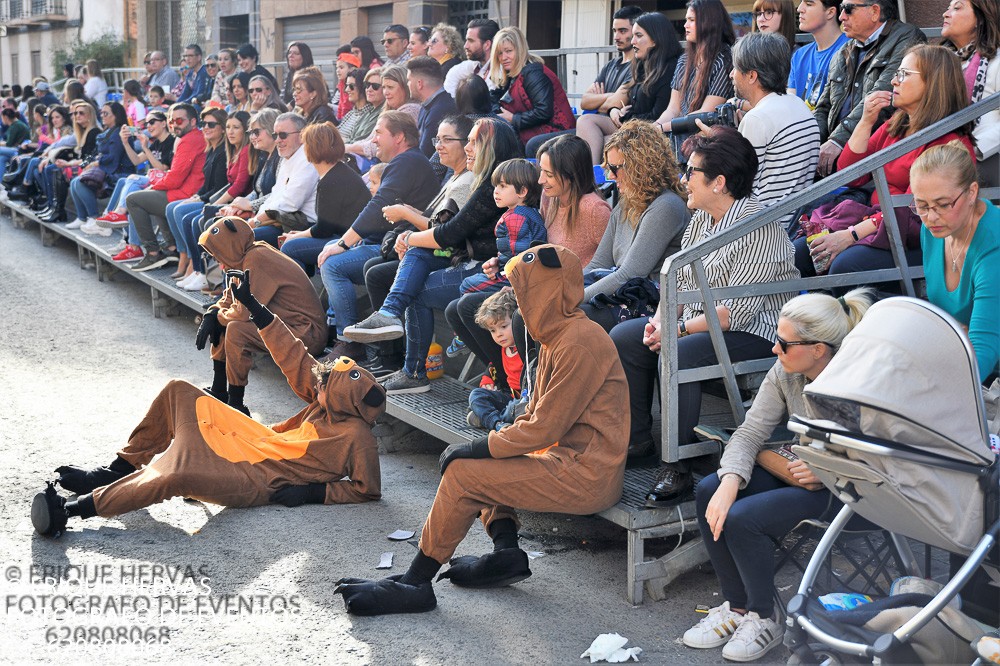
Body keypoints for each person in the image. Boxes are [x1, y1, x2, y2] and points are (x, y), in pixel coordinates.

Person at [334, 244, 629, 616]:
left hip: (587, 474)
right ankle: (507, 553)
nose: (521, 306)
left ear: (548, 293)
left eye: (525, 294)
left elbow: (542, 428)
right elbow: (534, 418)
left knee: (465, 472)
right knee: (492, 456)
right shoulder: (560, 336)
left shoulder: (580, 341)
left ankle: (415, 584)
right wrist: (490, 444)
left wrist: (477, 448)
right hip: (563, 456)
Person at [30, 264, 386, 540]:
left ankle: (72, 511)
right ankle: (120, 468)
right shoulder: (329, 398)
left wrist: (313, 493)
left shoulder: (358, 437)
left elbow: (367, 490)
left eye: (323, 384)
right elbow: (292, 352)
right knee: (179, 389)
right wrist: (251, 303)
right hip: (251, 438)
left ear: (343, 398)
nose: (315, 382)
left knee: (177, 471)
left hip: (255, 478)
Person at [684, 288, 873, 663]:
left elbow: (877, 449)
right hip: (806, 473)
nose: (774, 350)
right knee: (709, 489)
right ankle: (736, 606)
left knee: (743, 518)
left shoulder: (857, 379)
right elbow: (750, 432)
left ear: (818, 349)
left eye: (784, 344)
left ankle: (764, 616)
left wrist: (825, 465)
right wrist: (730, 481)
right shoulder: (785, 370)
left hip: (854, 490)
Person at [611, 128, 798, 500]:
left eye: (691, 171)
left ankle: (676, 467)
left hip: (756, 333)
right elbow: (675, 278)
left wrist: (675, 330)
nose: (684, 179)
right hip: (701, 324)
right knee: (627, 337)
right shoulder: (702, 217)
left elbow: (738, 313)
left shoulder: (757, 225)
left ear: (720, 183)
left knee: (685, 350)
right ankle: (638, 441)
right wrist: (661, 321)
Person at [343, 118, 521, 395]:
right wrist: (409, 237)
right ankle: (394, 328)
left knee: (415, 283)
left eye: (474, 142)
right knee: (411, 259)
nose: (468, 148)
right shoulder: (485, 181)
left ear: (490, 147)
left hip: (488, 270)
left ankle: (410, 365)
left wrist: (408, 234)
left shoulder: (489, 185)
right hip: (475, 260)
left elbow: (449, 232)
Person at [797, 45, 975, 282]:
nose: (893, 81)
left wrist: (851, 235)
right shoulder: (896, 125)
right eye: (896, 73)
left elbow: (915, 211)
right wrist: (866, 120)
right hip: (879, 224)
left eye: (903, 74)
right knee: (800, 253)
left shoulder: (948, 143)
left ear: (933, 82)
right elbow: (851, 175)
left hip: (918, 237)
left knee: (845, 266)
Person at [316, 112, 440, 359]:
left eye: (379, 133)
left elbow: (378, 206)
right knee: (330, 249)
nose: (373, 140)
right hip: (392, 243)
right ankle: (331, 328)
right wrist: (343, 242)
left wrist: (344, 243)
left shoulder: (408, 161)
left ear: (399, 137)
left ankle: (348, 342)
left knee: (332, 263)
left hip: (407, 248)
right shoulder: (407, 161)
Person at [363, 114, 478, 367]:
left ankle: (393, 353)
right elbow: (434, 222)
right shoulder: (453, 177)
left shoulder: (465, 181)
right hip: (438, 250)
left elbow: (444, 232)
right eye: (438, 138)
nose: (438, 146)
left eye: (448, 140)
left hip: (453, 256)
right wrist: (407, 231)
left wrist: (406, 219)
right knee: (375, 269)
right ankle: (387, 350)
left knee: (379, 273)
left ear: (468, 144)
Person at [189, 217, 328, 414]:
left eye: (218, 251)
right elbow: (231, 299)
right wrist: (212, 313)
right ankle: (220, 390)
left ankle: (236, 403)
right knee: (222, 320)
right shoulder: (244, 256)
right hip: (285, 326)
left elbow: (242, 313)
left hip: (306, 333)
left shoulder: (258, 258)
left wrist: (217, 318)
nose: (217, 259)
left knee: (235, 328)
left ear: (231, 244)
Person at [580, 120, 690, 332]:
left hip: (648, 303)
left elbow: (629, 274)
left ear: (640, 167)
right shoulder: (626, 203)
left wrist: (571, 300)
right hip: (623, 295)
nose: (610, 176)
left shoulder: (666, 206)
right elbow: (597, 264)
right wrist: (561, 290)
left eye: (615, 168)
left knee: (566, 317)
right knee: (531, 314)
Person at [911, 142, 1000, 383]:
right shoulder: (933, 230)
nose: (930, 216)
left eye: (943, 204)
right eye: (922, 205)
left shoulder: (994, 243)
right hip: (964, 356)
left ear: (972, 192)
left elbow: (983, 348)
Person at [813, 0, 926, 176]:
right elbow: (823, 108)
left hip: (873, 161)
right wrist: (810, 146)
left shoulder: (907, 38)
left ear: (874, 11)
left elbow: (883, 97)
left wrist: (837, 140)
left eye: (848, 9)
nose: (841, 16)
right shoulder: (843, 51)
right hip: (834, 156)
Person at [729, 32, 820, 228]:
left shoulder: (757, 119)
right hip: (796, 222)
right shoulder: (799, 105)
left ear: (752, 76)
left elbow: (740, 188)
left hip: (764, 232)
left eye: (736, 68)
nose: (731, 75)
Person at [575, 10, 683, 164]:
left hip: (654, 132)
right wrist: (614, 110)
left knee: (607, 143)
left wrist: (625, 115)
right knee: (585, 121)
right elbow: (592, 102)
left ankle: (592, 180)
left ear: (655, 40)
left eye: (638, 36)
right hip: (631, 125)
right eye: (633, 36)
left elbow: (658, 114)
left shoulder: (671, 68)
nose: (633, 42)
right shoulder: (641, 65)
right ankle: (590, 178)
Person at [171, 108, 250, 289]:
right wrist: (200, 197)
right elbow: (216, 185)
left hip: (238, 203)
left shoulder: (240, 151)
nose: (230, 131)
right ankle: (197, 268)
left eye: (235, 127)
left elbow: (238, 186)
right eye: (203, 124)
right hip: (224, 199)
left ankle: (204, 271)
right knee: (181, 213)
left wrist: (211, 203)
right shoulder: (228, 150)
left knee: (192, 218)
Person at [280, 122, 371, 276]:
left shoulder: (332, 179)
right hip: (344, 235)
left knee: (289, 247)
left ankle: (302, 295)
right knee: (293, 241)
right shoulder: (337, 171)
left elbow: (323, 229)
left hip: (351, 241)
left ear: (312, 148)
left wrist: (296, 236)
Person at [126, 103, 206, 271]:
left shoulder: (190, 140)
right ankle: (171, 248)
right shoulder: (189, 138)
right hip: (183, 190)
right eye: (171, 121)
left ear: (192, 121)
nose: (174, 124)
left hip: (186, 193)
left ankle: (153, 253)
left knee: (133, 199)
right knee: (151, 197)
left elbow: (174, 179)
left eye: (178, 120)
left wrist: (154, 187)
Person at [459, 158, 545, 296]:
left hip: (516, 278)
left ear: (522, 191)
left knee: (467, 285)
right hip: (516, 272)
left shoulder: (515, 217)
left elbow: (519, 254)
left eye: (502, 186)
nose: (496, 191)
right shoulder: (530, 212)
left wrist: (503, 271)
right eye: (495, 186)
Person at [653, 0, 736, 134]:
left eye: (691, 20)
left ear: (709, 22)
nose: (685, 25)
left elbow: (705, 114)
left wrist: (662, 128)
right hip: (677, 131)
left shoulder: (724, 60)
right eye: (686, 20)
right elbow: (673, 109)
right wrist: (654, 127)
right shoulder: (684, 59)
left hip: (706, 137)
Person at [940, 0, 1000, 184]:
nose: (946, 14)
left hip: (986, 157)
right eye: (948, 8)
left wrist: (974, 149)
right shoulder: (942, 64)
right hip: (944, 155)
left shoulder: (997, 61)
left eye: (956, 8)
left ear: (980, 18)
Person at [490, 27, 576, 147]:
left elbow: (544, 111)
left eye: (508, 51)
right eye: (500, 53)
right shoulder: (511, 74)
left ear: (520, 50)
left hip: (560, 135)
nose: (504, 57)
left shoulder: (533, 73)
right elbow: (495, 99)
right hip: (533, 132)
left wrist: (514, 119)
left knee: (529, 144)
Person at [535, 134, 611, 266]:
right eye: (541, 170)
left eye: (549, 174)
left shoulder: (595, 210)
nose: (540, 180)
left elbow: (612, 262)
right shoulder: (549, 196)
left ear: (571, 175)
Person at [248, 112, 318, 246]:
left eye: (283, 135)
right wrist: (256, 220)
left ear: (302, 134)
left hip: (302, 225)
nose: (277, 140)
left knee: (242, 237)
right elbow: (275, 195)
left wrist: (255, 222)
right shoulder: (288, 156)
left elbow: (290, 203)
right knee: (231, 233)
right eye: (275, 135)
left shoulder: (307, 158)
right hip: (282, 221)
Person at [466, 290, 526, 432]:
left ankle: (487, 418)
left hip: (525, 400)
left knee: (514, 409)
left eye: (503, 327)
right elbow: (495, 365)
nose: (498, 334)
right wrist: (488, 378)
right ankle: (497, 424)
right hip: (509, 396)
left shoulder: (524, 345)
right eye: (493, 330)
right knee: (476, 395)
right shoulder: (504, 349)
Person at [72, 102, 135, 235]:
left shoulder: (120, 132)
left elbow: (114, 157)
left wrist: (96, 163)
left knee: (80, 182)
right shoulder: (108, 132)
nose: (102, 116)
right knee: (75, 181)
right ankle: (84, 218)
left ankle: (96, 219)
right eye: (102, 113)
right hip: (109, 169)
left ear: (115, 116)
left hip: (119, 172)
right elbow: (99, 154)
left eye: (106, 113)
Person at [215, 108, 281, 233]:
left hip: (272, 220)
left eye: (256, 132)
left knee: (222, 229)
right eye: (250, 132)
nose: (252, 137)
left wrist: (249, 205)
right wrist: (237, 205)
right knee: (212, 221)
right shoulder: (263, 156)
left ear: (271, 130)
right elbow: (257, 191)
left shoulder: (280, 158)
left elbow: (277, 194)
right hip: (256, 213)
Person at [344, 65, 421, 167]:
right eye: (384, 87)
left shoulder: (410, 110)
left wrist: (345, 148)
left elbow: (373, 146)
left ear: (405, 87)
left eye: (390, 87)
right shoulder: (388, 110)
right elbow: (370, 139)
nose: (386, 92)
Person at [38, 101, 98, 224]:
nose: (77, 116)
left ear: (90, 116)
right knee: (53, 168)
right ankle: (55, 208)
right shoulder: (83, 131)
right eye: (75, 113)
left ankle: (60, 210)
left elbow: (89, 159)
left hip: (92, 167)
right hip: (83, 164)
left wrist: (68, 164)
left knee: (57, 170)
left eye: (81, 113)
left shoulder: (94, 132)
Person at [787, 0, 850, 110]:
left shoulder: (850, 50)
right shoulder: (799, 55)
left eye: (809, 4)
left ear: (830, 12)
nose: (799, 9)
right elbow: (790, 104)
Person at [406, 56, 457, 158]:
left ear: (419, 84)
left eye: (409, 80)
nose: (407, 84)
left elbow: (424, 154)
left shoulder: (439, 111)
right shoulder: (429, 106)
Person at [444, 19, 500, 94]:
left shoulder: (500, 71)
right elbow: (452, 76)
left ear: (487, 45)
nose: (465, 46)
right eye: (466, 40)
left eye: (471, 41)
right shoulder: (475, 64)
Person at [337, 68, 381, 144]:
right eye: (346, 85)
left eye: (351, 86)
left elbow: (355, 142)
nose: (347, 90)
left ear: (361, 87)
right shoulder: (351, 113)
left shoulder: (371, 115)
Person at [334, 52, 362, 120]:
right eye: (337, 68)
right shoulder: (341, 83)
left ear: (351, 69)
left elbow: (347, 106)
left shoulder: (357, 83)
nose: (337, 70)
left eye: (341, 67)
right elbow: (341, 106)